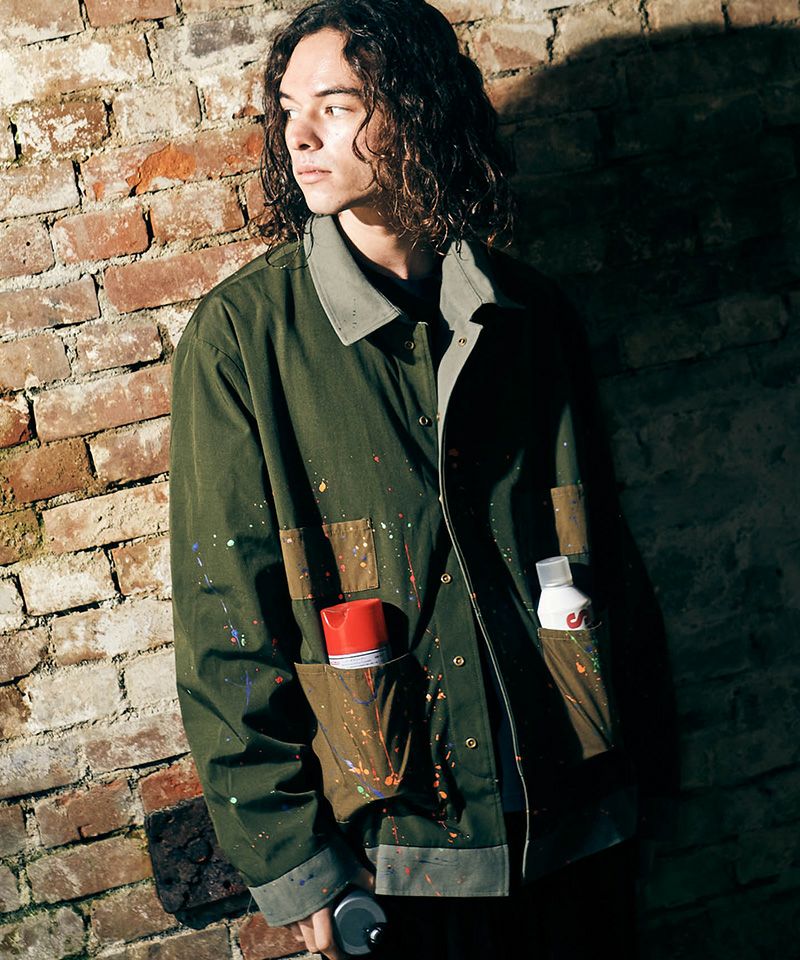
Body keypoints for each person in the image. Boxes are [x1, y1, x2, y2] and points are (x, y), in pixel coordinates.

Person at [169, 2, 678, 958]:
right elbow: (223, 624)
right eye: (288, 109)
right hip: (402, 855)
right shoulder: (242, 340)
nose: (300, 135)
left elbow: (606, 552)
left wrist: (645, 774)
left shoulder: (531, 313)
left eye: (336, 106)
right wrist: (296, 860)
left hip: (576, 820)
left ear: (416, 109)